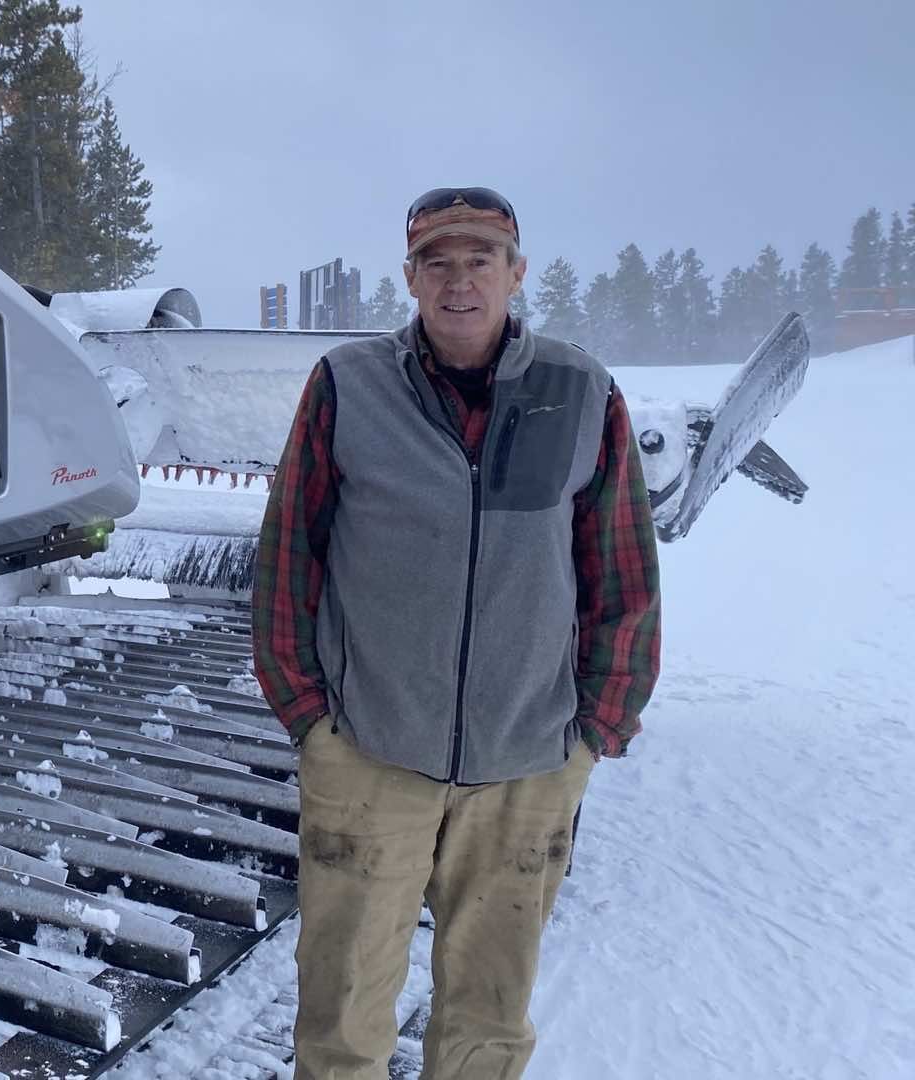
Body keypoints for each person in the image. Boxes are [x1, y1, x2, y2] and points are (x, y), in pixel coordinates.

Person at [250, 187, 662, 1080]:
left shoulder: (580, 389)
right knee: (343, 1010)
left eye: (481, 259)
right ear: (410, 278)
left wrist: (596, 730)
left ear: (517, 274)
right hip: (369, 753)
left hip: (529, 761)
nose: (459, 280)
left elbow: (621, 572)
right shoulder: (348, 385)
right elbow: (290, 552)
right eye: (438, 261)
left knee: (489, 1014)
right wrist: (310, 719)